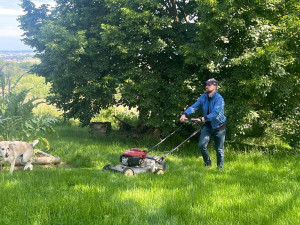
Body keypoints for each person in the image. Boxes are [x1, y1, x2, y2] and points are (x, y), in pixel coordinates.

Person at [180, 78, 226, 169]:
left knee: (219, 150)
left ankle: (220, 169)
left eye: (209, 85)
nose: (207, 86)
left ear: (215, 86)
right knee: (201, 145)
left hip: (219, 127)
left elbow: (215, 113)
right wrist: (185, 114)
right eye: (206, 85)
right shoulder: (203, 97)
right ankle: (208, 163)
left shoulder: (219, 99)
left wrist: (201, 119)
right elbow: (194, 107)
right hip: (208, 126)